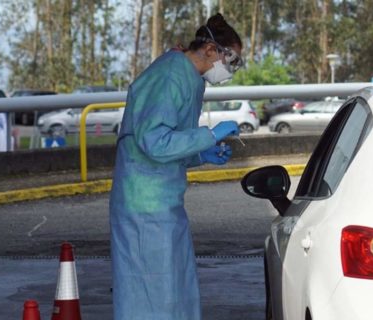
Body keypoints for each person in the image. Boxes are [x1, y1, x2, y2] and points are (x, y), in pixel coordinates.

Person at [109, 13, 243, 320]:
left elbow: (172, 143)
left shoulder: (190, 79)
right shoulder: (170, 74)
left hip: (163, 202)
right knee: (150, 291)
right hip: (143, 203)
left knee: (174, 288)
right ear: (210, 49)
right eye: (231, 60)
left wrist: (201, 153)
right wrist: (208, 135)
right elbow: (153, 141)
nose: (230, 70)